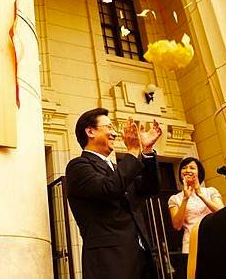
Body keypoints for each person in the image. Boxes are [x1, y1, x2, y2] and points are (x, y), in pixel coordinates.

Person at [65, 108, 162, 279]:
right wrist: (132, 151)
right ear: (90, 131)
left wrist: (146, 151)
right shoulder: (78, 166)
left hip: (141, 258)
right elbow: (110, 188)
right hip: (109, 262)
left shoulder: (118, 169)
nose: (115, 134)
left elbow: (150, 188)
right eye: (109, 127)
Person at [168, 157, 224, 278]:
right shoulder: (175, 198)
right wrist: (185, 198)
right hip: (190, 247)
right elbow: (177, 226)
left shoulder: (210, 191)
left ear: (199, 172)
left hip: (215, 243)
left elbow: (221, 212)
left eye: (192, 168)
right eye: (184, 168)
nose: (187, 170)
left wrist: (200, 194)